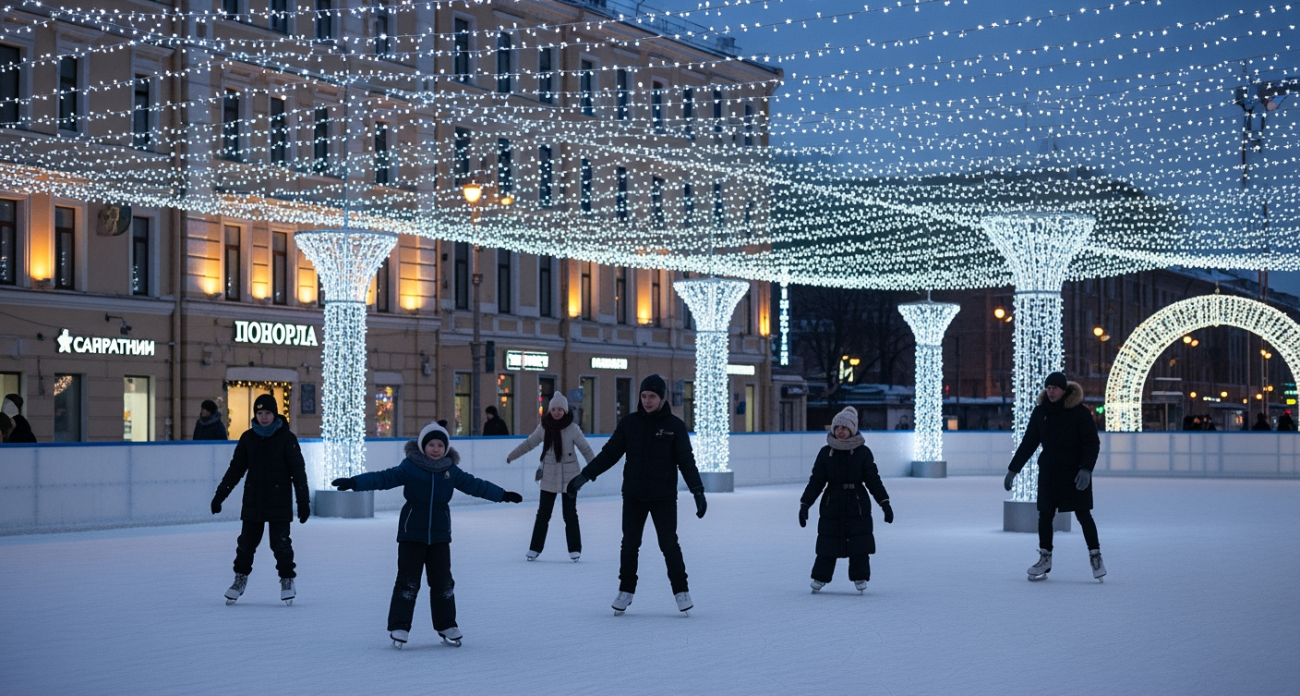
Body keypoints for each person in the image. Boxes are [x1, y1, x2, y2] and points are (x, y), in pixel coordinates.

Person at [331, 421, 523, 649]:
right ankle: (399, 626)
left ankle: (446, 624)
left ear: (446, 448)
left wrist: (502, 495)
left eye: (440, 445)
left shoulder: (451, 470)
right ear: (423, 446)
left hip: (440, 535)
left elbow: (476, 485)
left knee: (443, 583)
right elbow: (383, 478)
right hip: (412, 533)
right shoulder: (410, 467)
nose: (435, 449)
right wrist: (355, 482)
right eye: (431, 444)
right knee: (408, 582)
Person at [566, 374, 706, 616]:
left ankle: (681, 591)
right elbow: (610, 454)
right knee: (630, 544)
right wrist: (584, 476)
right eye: (643, 396)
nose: (647, 401)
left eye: (652, 396)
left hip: (663, 496)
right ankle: (626, 591)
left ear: (662, 398)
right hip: (634, 495)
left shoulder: (674, 427)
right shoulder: (629, 423)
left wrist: (697, 491)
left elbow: (686, 462)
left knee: (669, 544)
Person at [1004, 372, 1106, 582]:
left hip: (1075, 473)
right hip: (1050, 472)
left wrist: (1086, 469)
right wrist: (1013, 469)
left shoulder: (1079, 413)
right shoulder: (1041, 412)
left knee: (1083, 515)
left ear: (1064, 390)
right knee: (1045, 515)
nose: (1050, 391)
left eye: (1055, 388)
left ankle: (1095, 557)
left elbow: (1092, 443)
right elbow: (1029, 443)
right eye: (1048, 387)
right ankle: (1045, 558)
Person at [211, 394, 310, 605]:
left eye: (267, 413)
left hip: (279, 501)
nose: (263, 417)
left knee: (280, 545)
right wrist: (220, 496)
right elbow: (235, 470)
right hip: (253, 501)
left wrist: (303, 502)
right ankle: (239, 580)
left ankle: (287, 580)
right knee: (246, 544)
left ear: (275, 414)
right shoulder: (248, 438)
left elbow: (298, 472)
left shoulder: (286, 438)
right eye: (259, 413)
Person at [800, 406, 892, 594]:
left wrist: (884, 503)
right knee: (828, 543)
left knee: (859, 544)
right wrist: (805, 504)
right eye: (837, 428)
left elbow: (873, 480)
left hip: (857, 504)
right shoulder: (826, 453)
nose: (840, 431)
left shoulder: (863, 452)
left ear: (852, 429)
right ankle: (820, 577)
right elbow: (816, 481)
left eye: (845, 428)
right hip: (832, 503)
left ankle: (860, 577)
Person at [507, 392, 595, 562]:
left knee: (570, 514)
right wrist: (512, 455)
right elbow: (529, 443)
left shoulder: (572, 428)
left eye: (560, 409)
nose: (556, 412)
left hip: (570, 478)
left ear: (565, 410)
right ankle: (534, 549)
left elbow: (586, 449)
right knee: (543, 514)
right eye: (553, 409)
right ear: (549, 411)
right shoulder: (544, 427)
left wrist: (593, 470)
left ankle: (575, 549)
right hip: (548, 476)